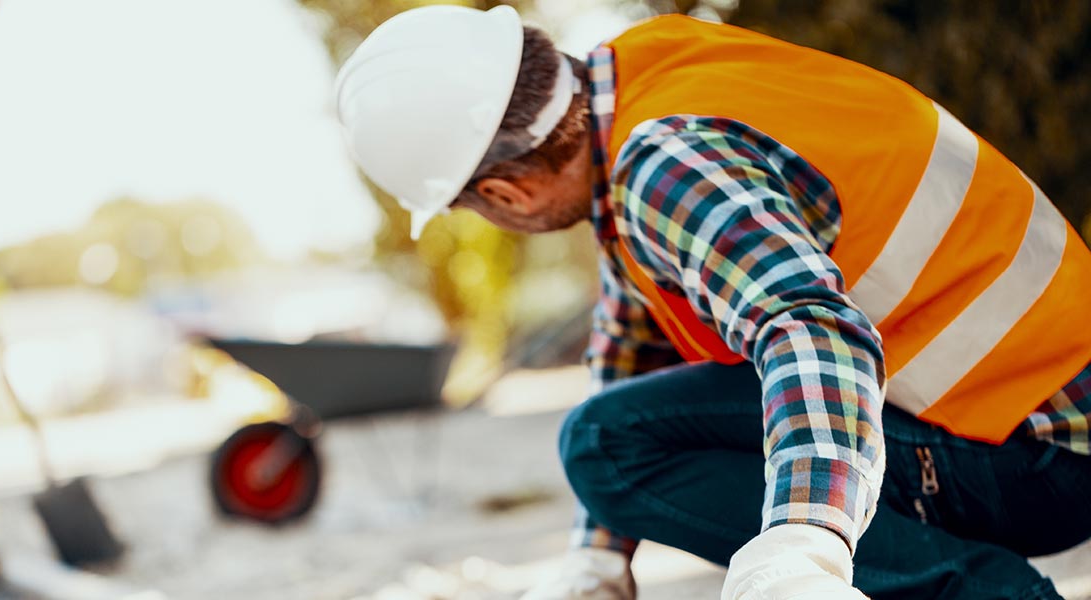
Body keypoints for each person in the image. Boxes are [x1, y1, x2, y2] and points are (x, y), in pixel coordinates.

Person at [334, 6, 1091, 599]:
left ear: (505, 191)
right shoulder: (649, 80)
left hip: (1045, 452)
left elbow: (811, 327)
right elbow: (630, 353)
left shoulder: (663, 162)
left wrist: (803, 543)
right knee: (608, 434)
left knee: (602, 445)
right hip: (1044, 409)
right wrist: (595, 562)